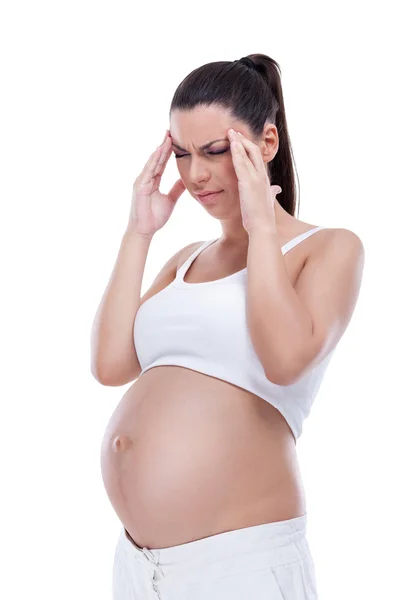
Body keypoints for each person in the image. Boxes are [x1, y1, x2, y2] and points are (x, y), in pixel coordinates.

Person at [91, 53, 365, 600]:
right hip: (140, 566)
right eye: (184, 154)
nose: (195, 175)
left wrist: (262, 225)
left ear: (266, 144)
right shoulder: (187, 258)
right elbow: (110, 365)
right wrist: (138, 232)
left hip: (239, 564)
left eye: (216, 151)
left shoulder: (328, 248)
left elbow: (285, 359)